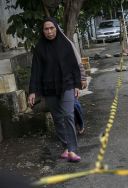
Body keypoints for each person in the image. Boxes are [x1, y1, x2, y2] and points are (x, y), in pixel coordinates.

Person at [28, 17, 83, 162]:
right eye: (46, 29)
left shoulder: (65, 44)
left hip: (66, 85)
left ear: (57, 28)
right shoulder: (40, 47)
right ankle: (66, 146)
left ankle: (72, 150)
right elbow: (36, 70)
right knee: (57, 118)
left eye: (52, 28)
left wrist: (77, 85)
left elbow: (74, 66)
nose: (49, 31)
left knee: (68, 115)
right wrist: (32, 91)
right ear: (43, 31)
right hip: (49, 88)